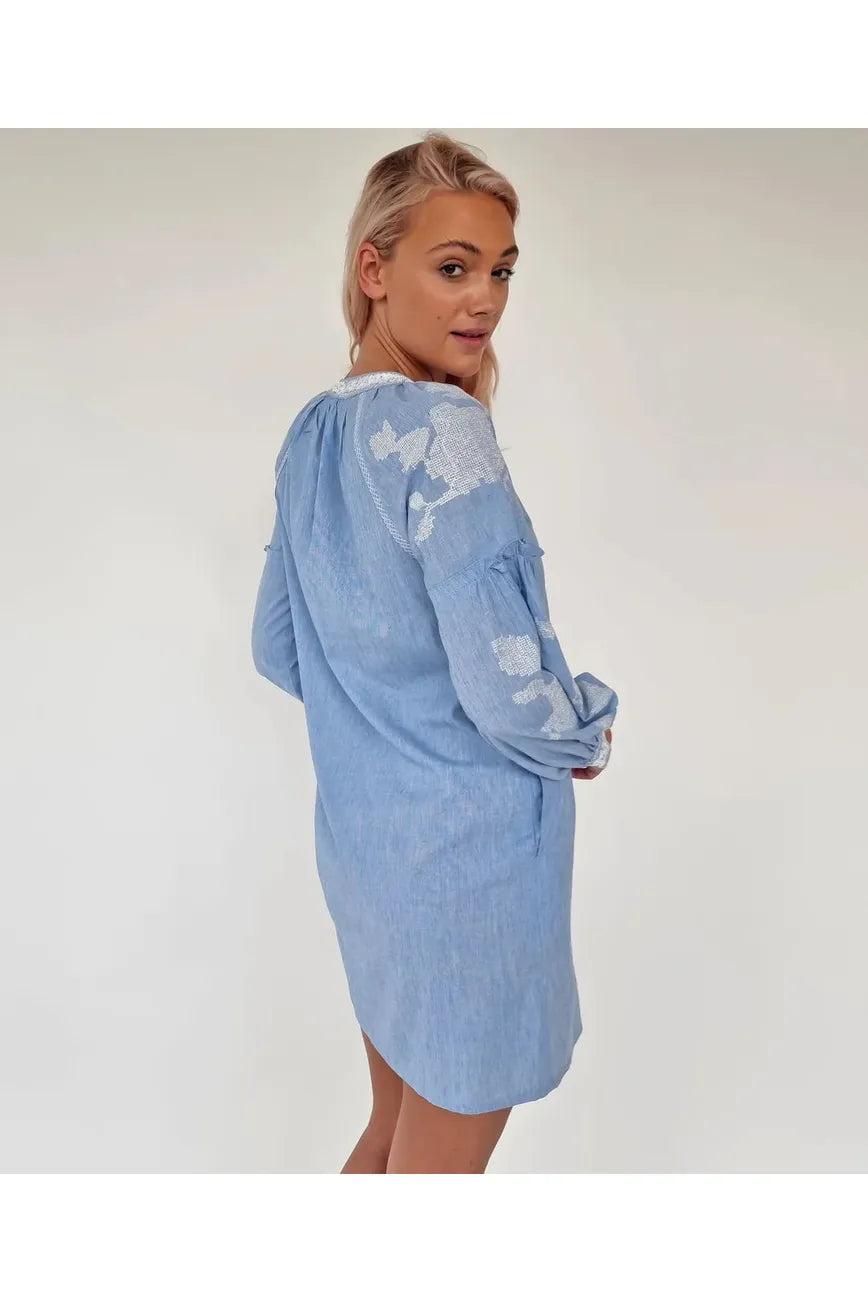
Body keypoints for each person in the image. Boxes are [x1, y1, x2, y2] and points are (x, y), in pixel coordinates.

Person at [251, 132, 619, 1174]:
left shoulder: (312, 434)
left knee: (388, 1140)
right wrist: (585, 731)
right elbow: (509, 695)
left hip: (370, 855)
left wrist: (377, 707)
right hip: (468, 870)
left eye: (500, 272)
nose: (484, 300)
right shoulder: (446, 435)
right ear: (374, 269)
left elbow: (278, 645)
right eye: (452, 267)